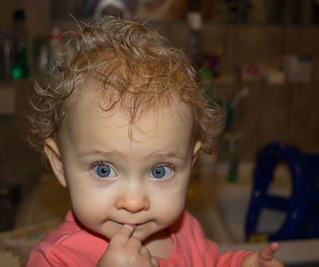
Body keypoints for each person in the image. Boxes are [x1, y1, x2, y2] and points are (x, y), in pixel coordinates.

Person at [26, 16, 284, 267]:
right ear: (60, 163)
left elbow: (211, 261)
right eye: (103, 169)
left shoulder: (185, 230)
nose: (134, 202)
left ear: (190, 164)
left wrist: (242, 263)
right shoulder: (57, 258)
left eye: (159, 170)